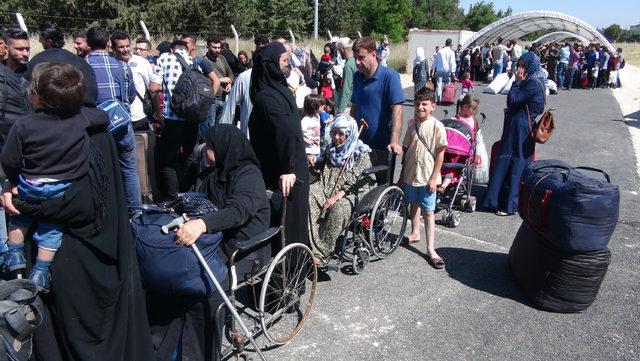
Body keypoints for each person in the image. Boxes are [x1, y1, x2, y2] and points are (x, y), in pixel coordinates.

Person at [2, 104, 154, 360]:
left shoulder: (77, 139)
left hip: (73, 262)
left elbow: (75, 204)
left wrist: (19, 200)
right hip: (94, 259)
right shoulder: (96, 134)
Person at [154, 124, 270, 361]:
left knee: (202, 287)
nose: (204, 150)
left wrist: (201, 224)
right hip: (214, 242)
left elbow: (238, 212)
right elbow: (196, 196)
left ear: (223, 148)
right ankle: (165, 347)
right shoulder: (213, 173)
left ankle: (200, 353)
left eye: (208, 146)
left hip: (243, 247)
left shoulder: (249, 175)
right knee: (168, 274)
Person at [1, 63, 90, 292]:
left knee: (19, 218)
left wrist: (12, 181)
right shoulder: (80, 120)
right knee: (52, 227)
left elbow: (9, 159)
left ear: (37, 97)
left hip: (30, 185)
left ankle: (14, 255)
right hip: (61, 189)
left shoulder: (23, 124)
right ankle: (41, 271)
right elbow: (102, 117)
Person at [249, 41, 310, 249]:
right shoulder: (272, 93)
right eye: (284, 61)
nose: (288, 64)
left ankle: (289, 272)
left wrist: (288, 168)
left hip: (287, 172)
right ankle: (292, 269)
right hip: (288, 168)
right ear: (271, 65)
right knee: (289, 222)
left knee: (289, 223)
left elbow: (285, 131)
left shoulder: (270, 94)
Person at [482, 51, 545, 216]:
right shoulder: (534, 81)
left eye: (524, 66)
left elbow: (513, 100)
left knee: (514, 163)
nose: (520, 69)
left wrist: (517, 82)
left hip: (521, 127)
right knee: (508, 160)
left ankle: (507, 204)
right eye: (520, 65)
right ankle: (496, 199)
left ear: (531, 66)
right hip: (519, 124)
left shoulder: (533, 83)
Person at [86, 27, 141, 212]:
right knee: (129, 169)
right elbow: (131, 96)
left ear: (88, 43)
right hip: (122, 124)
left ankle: (107, 212)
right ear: (108, 43)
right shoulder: (122, 66)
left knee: (101, 169)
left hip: (95, 128)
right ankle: (136, 213)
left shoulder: (82, 66)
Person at [308, 115, 374, 259]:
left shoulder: (359, 153)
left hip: (352, 192)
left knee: (338, 209)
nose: (336, 137)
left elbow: (354, 180)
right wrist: (313, 162)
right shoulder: (331, 148)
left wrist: (334, 198)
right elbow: (320, 168)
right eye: (334, 133)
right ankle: (310, 243)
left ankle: (322, 251)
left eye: (341, 134)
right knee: (309, 194)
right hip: (327, 185)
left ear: (349, 135)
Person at [400, 87, 447, 269]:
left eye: (424, 104)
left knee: (428, 211)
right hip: (411, 174)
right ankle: (415, 233)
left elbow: (441, 154)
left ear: (433, 106)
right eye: (418, 104)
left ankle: (430, 248)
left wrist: (434, 178)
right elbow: (406, 152)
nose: (420, 107)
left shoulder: (437, 126)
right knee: (413, 203)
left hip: (428, 176)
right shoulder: (412, 127)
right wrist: (401, 176)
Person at [149, 40, 201, 201]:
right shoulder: (196, 61)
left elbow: (153, 87)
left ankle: (172, 198)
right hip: (193, 119)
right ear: (188, 49)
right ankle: (189, 194)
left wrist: (157, 111)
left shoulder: (165, 58)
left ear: (172, 49)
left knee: (167, 161)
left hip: (173, 119)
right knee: (189, 157)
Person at [0, 28, 32, 270]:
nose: (24, 53)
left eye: (27, 48)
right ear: (6, 47)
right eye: (19, 49)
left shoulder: (30, 74)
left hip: (28, 148)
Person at [350, 36, 404, 175]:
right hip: (360, 146)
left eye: (361, 57)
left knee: (380, 189)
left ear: (373, 55)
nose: (357, 62)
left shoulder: (389, 76)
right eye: (355, 57)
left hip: (381, 148)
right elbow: (354, 107)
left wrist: (394, 141)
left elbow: (397, 110)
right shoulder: (357, 77)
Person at [27, 23, 98, 107]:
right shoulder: (80, 62)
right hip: (79, 111)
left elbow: (28, 91)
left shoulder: (36, 61)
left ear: (49, 41)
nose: (39, 41)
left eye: (41, 38)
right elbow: (90, 95)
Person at [218, 35, 269, 136]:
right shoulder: (245, 77)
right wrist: (222, 137)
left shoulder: (279, 78)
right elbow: (230, 109)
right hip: (249, 137)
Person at [111, 31, 154, 131]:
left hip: (138, 117)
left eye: (128, 46)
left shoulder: (142, 63)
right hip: (117, 118)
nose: (125, 50)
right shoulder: (110, 65)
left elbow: (152, 89)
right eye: (121, 47)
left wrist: (157, 112)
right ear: (113, 48)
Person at [198, 34, 234, 129]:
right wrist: (219, 80)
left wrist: (229, 83)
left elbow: (230, 73)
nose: (217, 50)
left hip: (223, 98)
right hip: (211, 99)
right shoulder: (203, 61)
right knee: (210, 127)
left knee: (220, 127)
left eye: (219, 47)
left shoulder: (222, 59)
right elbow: (201, 80)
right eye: (214, 47)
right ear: (208, 47)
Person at [301, 94, 324, 166]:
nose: (324, 106)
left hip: (316, 148)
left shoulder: (317, 116)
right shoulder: (306, 120)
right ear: (314, 107)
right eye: (321, 105)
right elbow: (296, 133)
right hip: (308, 150)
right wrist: (305, 140)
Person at [335, 37, 356, 114]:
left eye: (338, 51)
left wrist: (340, 110)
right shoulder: (356, 61)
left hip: (348, 106)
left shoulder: (348, 65)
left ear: (342, 50)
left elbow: (346, 89)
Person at [433, 38, 457, 103]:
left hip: (439, 70)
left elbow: (436, 61)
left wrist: (433, 69)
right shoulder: (451, 52)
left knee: (439, 85)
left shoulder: (440, 51)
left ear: (445, 43)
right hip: (447, 71)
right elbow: (452, 63)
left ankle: (439, 99)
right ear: (451, 44)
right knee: (447, 85)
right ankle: (446, 98)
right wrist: (453, 72)